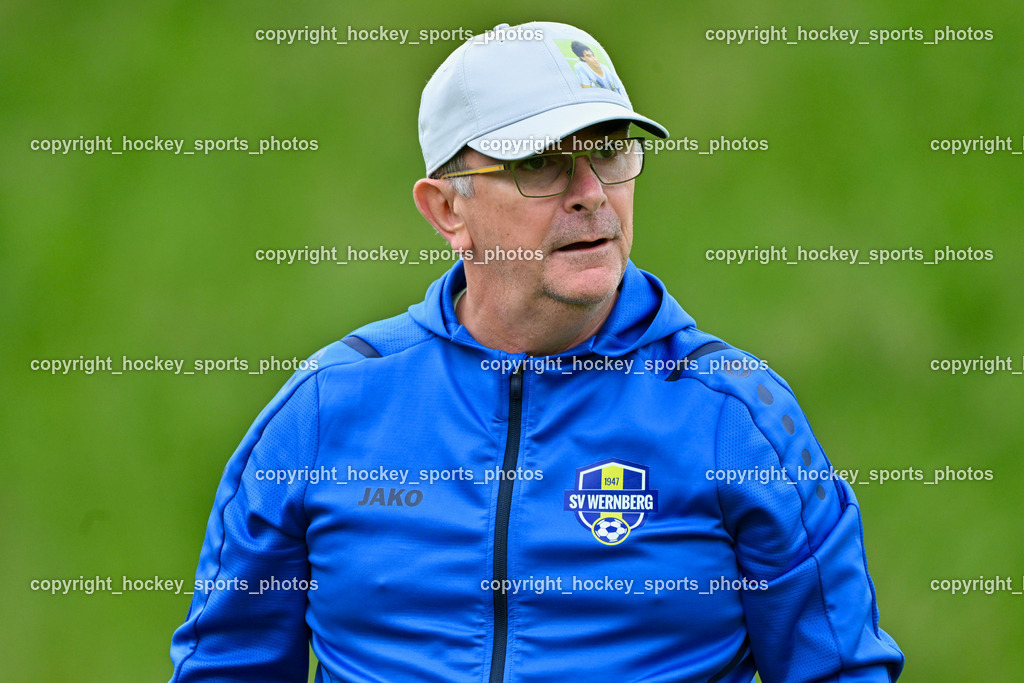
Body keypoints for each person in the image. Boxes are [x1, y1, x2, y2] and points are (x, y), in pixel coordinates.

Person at [169, 20, 904, 683]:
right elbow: (224, 668)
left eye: (609, 151)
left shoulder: (736, 417)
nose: (591, 193)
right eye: (544, 164)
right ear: (448, 209)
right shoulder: (325, 412)